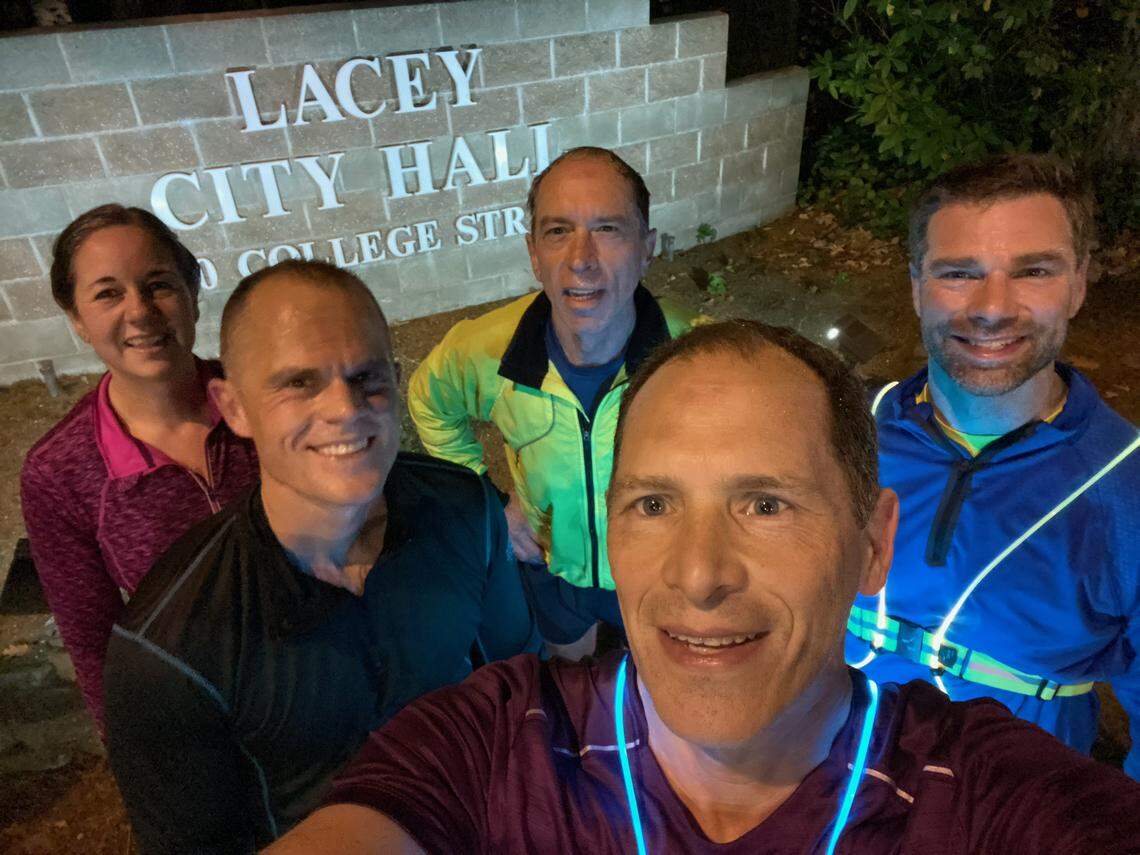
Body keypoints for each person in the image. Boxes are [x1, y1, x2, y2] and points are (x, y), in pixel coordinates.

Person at [268, 320, 1140, 855]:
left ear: (872, 546)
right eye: (654, 503)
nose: (699, 575)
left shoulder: (983, 793)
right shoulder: (499, 743)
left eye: (765, 503)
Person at [103, 260, 540, 853]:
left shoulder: (466, 511)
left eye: (367, 376)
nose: (344, 407)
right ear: (232, 407)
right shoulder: (171, 647)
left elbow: (518, 684)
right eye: (299, 382)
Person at [845, 153, 1140, 776]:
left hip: (1012, 795)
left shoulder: (1126, 490)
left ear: (1080, 284)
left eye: (1033, 271)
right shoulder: (845, 428)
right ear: (917, 285)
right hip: (837, 766)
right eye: (959, 273)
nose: (992, 308)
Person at [407, 146, 696, 648]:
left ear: (647, 247)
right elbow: (430, 404)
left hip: (662, 578)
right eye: (558, 232)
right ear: (534, 254)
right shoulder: (480, 351)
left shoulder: (696, 356)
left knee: (658, 691)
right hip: (550, 574)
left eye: (608, 229)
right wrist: (488, 503)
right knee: (574, 689)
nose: (581, 260)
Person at [19, 204, 258, 736]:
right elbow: (91, 637)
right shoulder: (59, 472)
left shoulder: (265, 402)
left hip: (326, 675)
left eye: (159, 284)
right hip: (203, 712)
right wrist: (135, 756)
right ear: (77, 318)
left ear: (193, 294)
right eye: (108, 293)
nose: (141, 311)